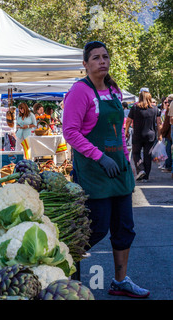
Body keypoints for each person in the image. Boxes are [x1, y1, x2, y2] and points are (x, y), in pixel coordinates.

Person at [63, 40, 149, 298]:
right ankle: (65, 271)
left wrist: (125, 160)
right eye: (96, 58)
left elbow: (117, 132)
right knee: (96, 227)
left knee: (124, 228)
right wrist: (100, 157)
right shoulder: (80, 91)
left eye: (105, 57)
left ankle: (120, 282)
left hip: (118, 171)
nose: (102, 61)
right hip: (93, 172)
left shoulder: (114, 90)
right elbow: (70, 132)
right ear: (85, 64)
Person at [125, 88, 161, 181]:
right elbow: (159, 123)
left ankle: (141, 169)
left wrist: (126, 131)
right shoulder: (155, 109)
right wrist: (160, 135)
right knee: (147, 155)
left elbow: (128, 120)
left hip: (138, 134)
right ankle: (146, 176)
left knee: (136, 153)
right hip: (150, 135)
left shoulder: (135, 108)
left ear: (140, 97)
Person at [159, 97, 172, 173]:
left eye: (166, 102)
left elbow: (167, 123)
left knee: (168, 150)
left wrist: (162, 133)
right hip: (169, 134)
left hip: (168, 134)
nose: (165, 104)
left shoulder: (169, 110)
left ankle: (168, 166)